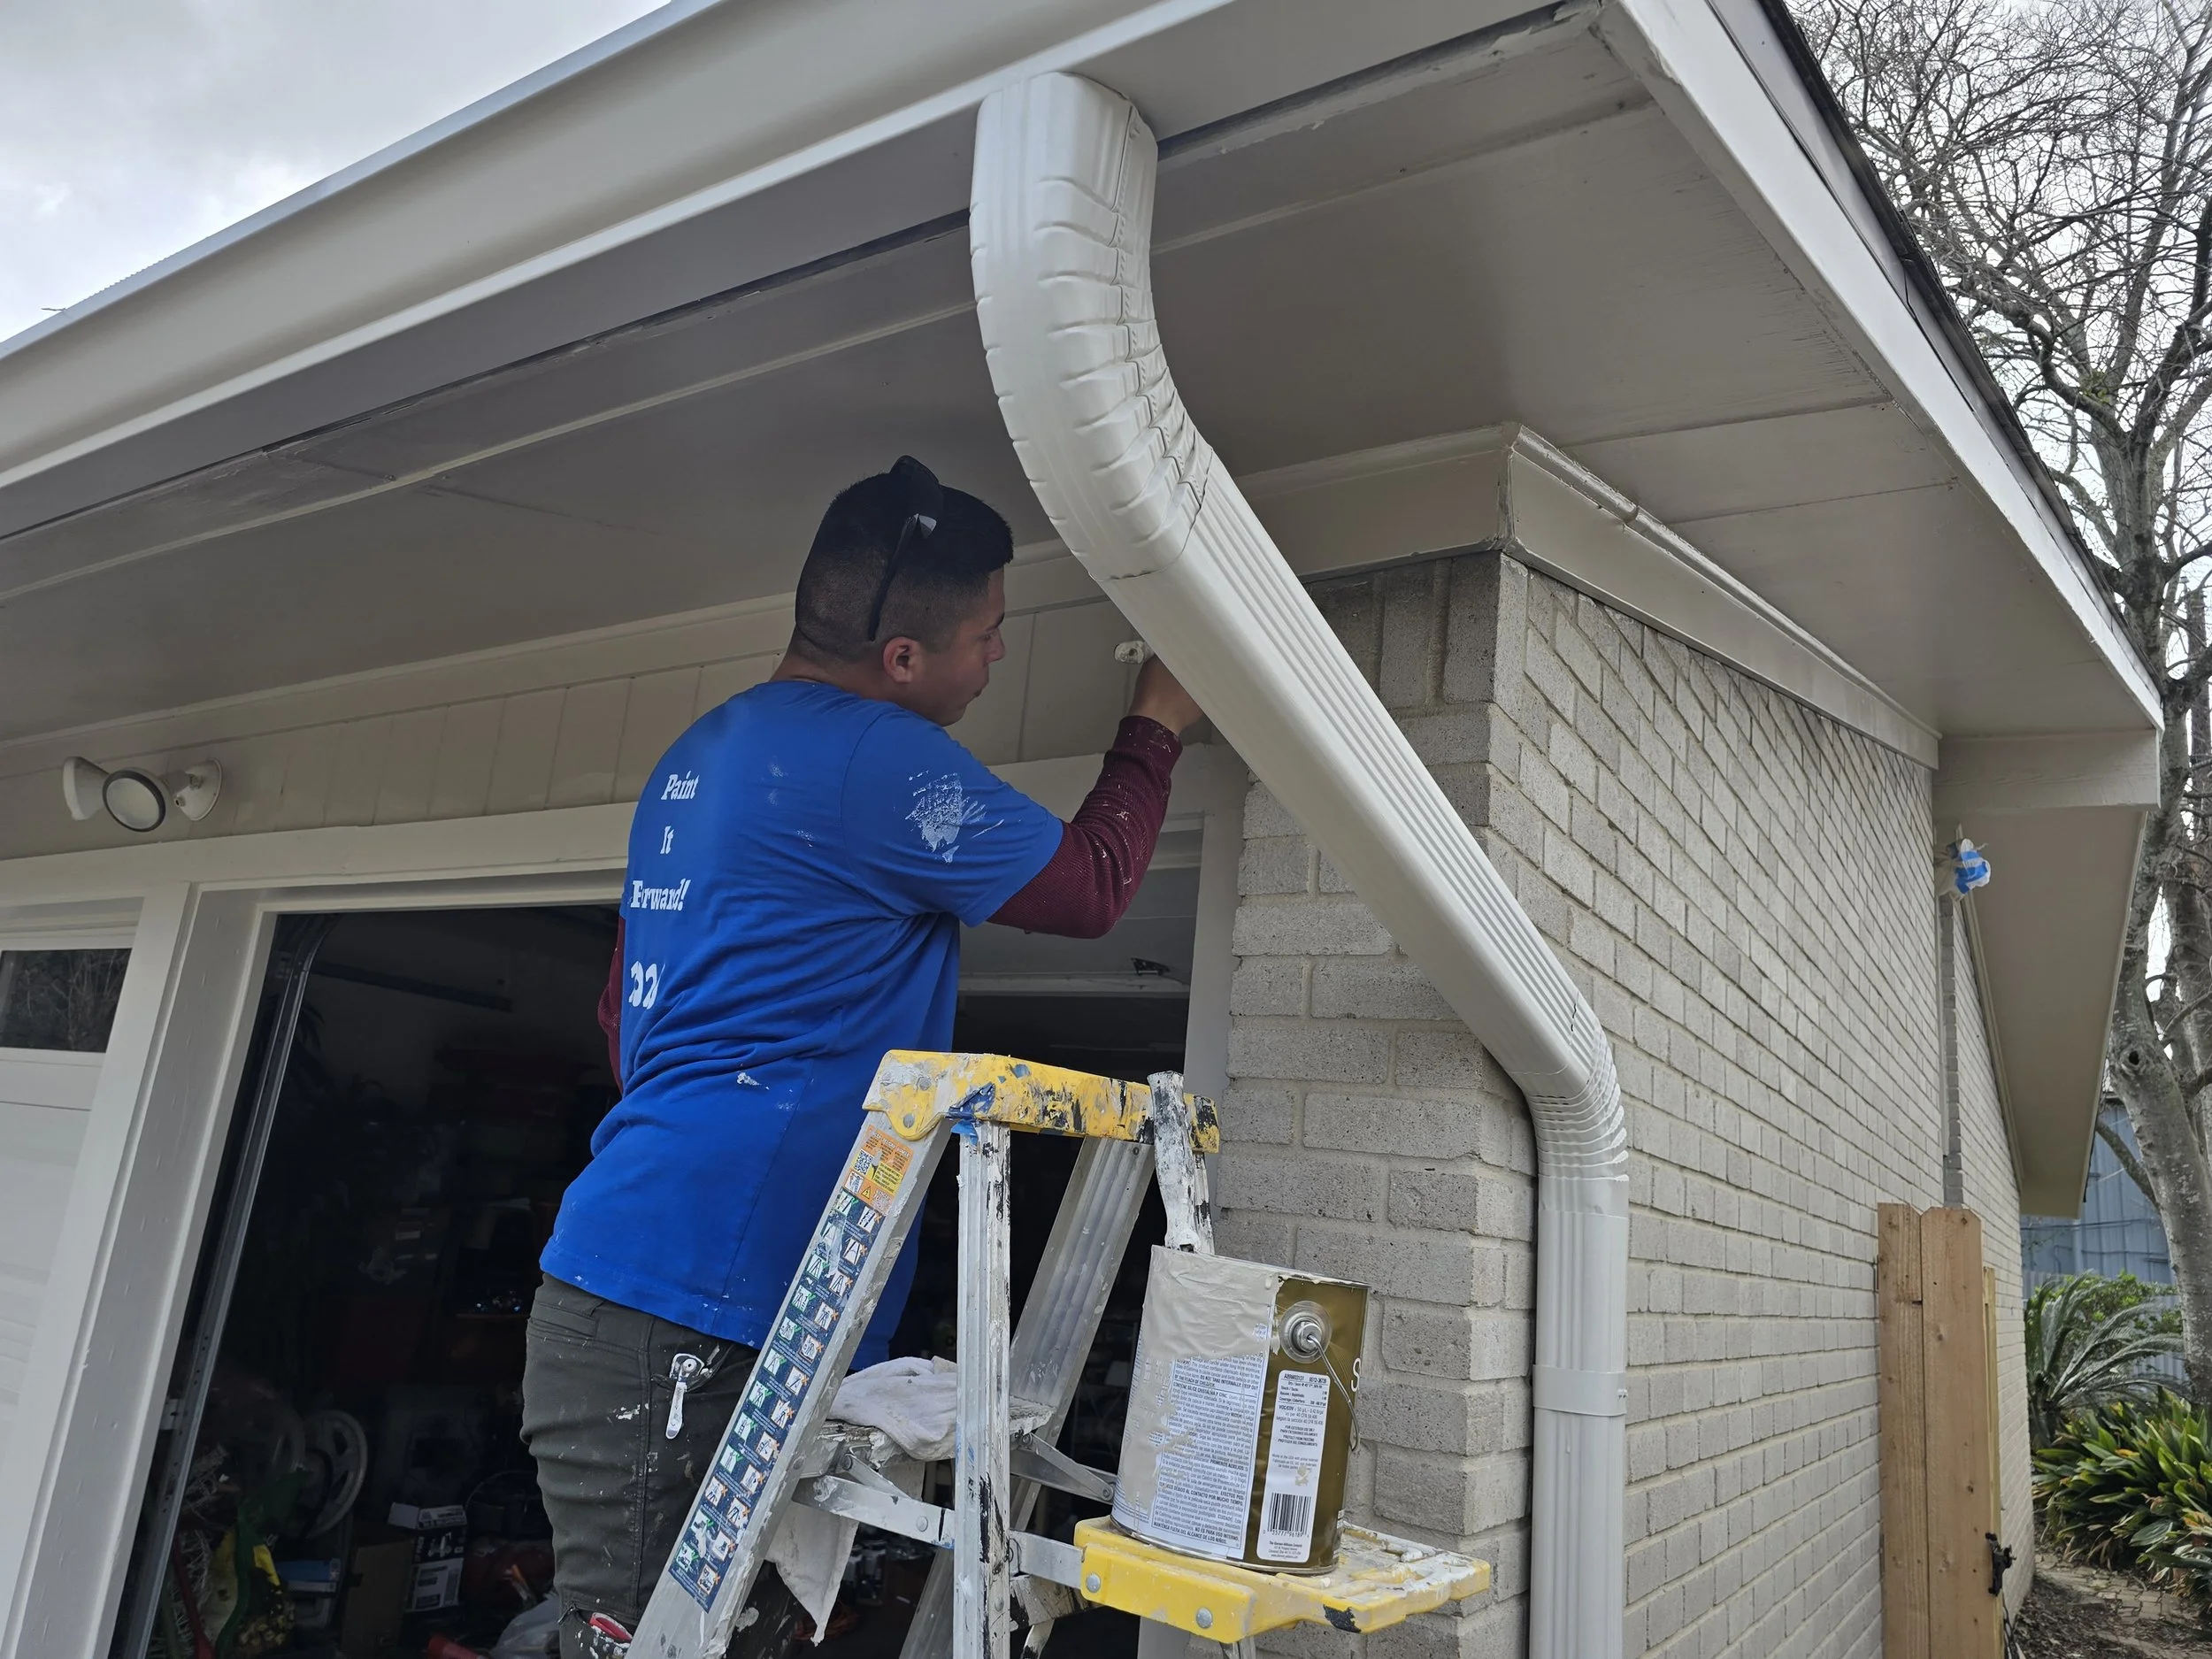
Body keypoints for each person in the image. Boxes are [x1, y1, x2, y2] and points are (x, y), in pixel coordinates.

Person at [520, 457, 1203, 1658]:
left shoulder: (701, 754)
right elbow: (1091, 886)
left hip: (654, 1290)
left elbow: (625, 1019)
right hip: (689, 1316)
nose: (996, 657)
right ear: (900, 659)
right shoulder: (873, 756)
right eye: (986, 637)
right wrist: (1160, 718)